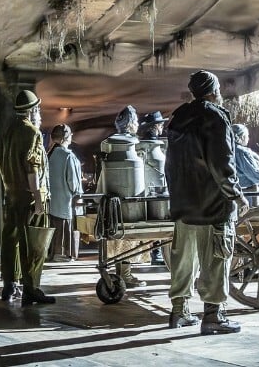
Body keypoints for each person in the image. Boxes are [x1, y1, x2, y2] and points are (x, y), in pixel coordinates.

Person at [164, 70, 250, 335]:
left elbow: (170, 164)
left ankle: (179, 311)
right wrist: (236, 195)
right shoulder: (216, 117)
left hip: (182, 203)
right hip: (212, 205)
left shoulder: (178, 118)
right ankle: (213, 315)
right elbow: (222, 164)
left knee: (183, 260)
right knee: (216, 258)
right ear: (213, 91)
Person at [0, 89, 55, 306]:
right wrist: (39, 201)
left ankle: (9, 284)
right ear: (33, 111)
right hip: (30, 198)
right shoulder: (32, 133)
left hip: (11, 196)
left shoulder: (8, 131)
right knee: (34, 245)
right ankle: (32, 288)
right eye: (37, 109)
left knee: (11, 241)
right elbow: (33, 170)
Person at [97, 105, 150, 286]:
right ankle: (125, 274)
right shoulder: (133, 144)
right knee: (128, 238)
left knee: (120, 238)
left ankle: (123, 273)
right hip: (130, 202)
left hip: (112, 201)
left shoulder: (108, 144)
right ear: (132, 123)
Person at [47, 123, 83, 262]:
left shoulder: (47, 154)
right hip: (65, 202)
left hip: (50, 203)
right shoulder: (68, 156)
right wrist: (78, 195)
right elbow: (73, 182)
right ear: (66, 138)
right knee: (65, 226)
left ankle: (53, 252)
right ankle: (63, 254)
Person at [138, 110, 169, 265]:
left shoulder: (140, 146)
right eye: (161, 125)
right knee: (158, 219)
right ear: (156, 126)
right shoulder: (153, 147)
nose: (162, 127)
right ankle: (157, 252)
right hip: (155, 191)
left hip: (141, 191)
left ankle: (154, 252)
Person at [231, 124, 259, 207]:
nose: (248, 139)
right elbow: (257, 177)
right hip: (245, 196)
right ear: (242, 137)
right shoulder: (242, 152)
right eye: (247, 136)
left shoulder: (226, 150)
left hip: (230, 194)